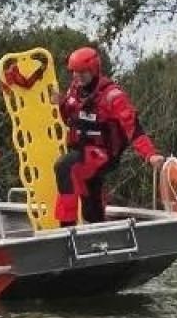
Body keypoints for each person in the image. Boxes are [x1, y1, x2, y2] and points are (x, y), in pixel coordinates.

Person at [53, 46, 164, 227]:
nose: (77, 76)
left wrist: (150, 155)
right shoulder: (74, 91)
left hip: (103, 154)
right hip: (83, 152)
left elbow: (134, 129)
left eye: (82, 72)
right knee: (91, 202)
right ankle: (98, 232)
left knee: (65, 167)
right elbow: (71, 121)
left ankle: (66, 230)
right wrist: (63, 105)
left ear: (94, 70)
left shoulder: (113, 96)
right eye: (74, 72)